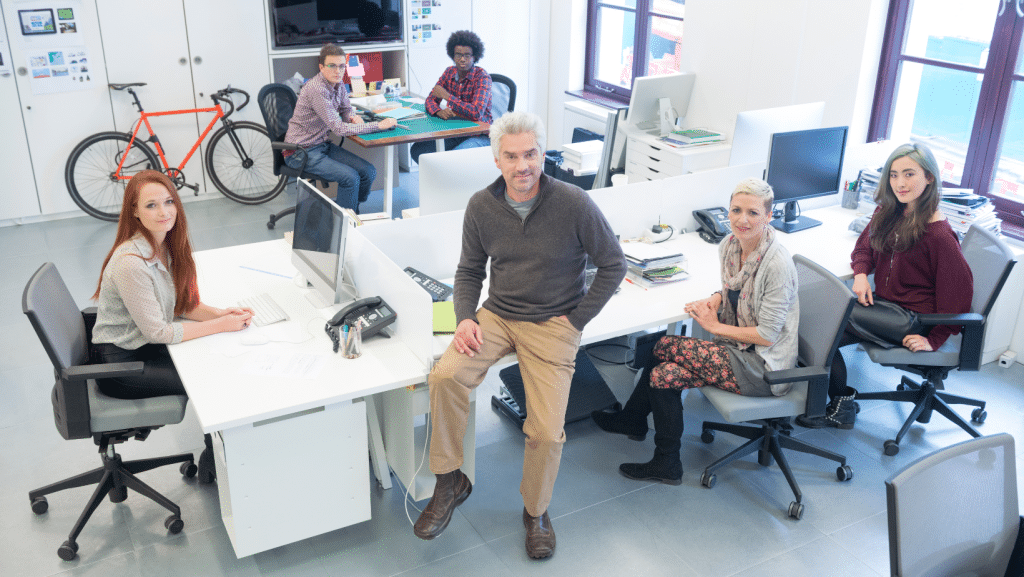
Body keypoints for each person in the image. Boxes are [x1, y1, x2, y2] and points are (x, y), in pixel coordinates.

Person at [413, 111, 626, 559]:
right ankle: (450, 480)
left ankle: (536, 512)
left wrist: (576, 320)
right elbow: (469, 270)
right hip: (498, 314)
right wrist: (465, 317)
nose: (522, 165)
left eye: (530, 154)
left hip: (553, 323)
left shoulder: (573, 203)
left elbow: (614, 264)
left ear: (542, 154)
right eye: (511, 156)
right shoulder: (481, 206)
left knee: (546, 432)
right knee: (445, 376)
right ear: (497, 160)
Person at [592, 178, 799, 485]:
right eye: (736, 210)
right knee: (664, 375)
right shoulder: (730, 246)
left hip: (763, 367)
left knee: (664, 345)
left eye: (753, 213)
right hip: (736, 350)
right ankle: (666, 462)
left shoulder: (776, 265)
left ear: (768, 216)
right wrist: (716, 298)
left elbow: (767, 335)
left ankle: (632, 420)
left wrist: (714, 326)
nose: (742, 219)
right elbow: (736, 288)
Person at [796, 143, 973, 429]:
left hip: (913, 320)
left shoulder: (939, 235)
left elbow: (959, 300)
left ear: (929, 177)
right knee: (825, 337)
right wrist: (861, 275)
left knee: (826, 312)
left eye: (909, 174)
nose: (900, 183)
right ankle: (841, 405)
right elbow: (863, 248)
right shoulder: (889, 211)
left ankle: (830, 403)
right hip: (885, 306)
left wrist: (934, 339)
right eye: (893, 175)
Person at [91, 170, 254, 477]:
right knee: (205, 378)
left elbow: (181, 305)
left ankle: (225, 450)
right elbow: (159, 332)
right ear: (135, 212)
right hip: (121, 364)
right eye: (151, 205)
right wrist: (221, 326)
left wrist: (221, 314)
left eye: (169, 202)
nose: (164, 212)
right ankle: (216, 459)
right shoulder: (131, 262)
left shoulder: (165, 244)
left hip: (143, 344)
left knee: (213, 358)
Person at [283, 43, 397, 212]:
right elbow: (338, 129)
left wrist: (352, 116)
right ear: (321, 67)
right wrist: (378, 125)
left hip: (321, 145)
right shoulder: (317, 89)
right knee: (350, 178)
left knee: (368, 172)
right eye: (332, 66)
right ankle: (346, 218)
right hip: (300, 151)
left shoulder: (338, 83)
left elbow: (345, 108)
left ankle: (349, 211)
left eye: (342, 66)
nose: (338, 71)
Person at [409, 30, 493, 165]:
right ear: (453, 55)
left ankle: (449, 175)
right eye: (458, 54)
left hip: (480, 133)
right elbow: (430, 100)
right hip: (457, 130)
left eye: (467, 55)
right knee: (418, 150)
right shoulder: (449, 72)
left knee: (454, 159)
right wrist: (438, 111)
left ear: (475, 56)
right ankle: (442, 176)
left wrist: (447, 96)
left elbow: (476, 113)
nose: (462, 59)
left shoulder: (482, 77)